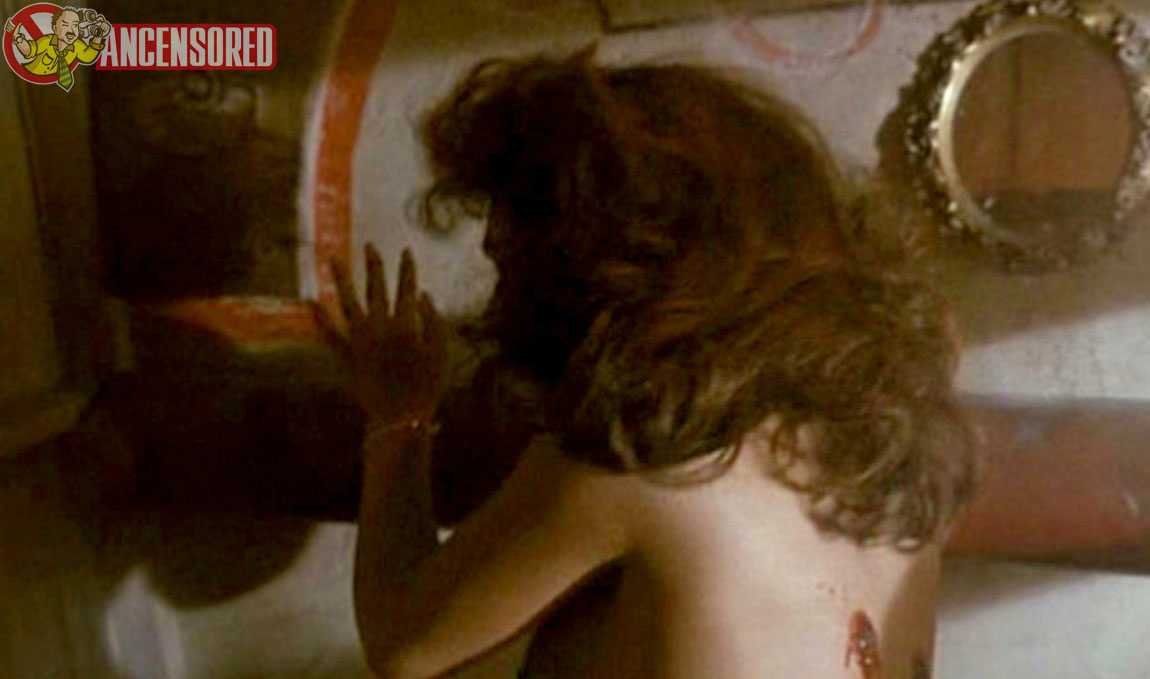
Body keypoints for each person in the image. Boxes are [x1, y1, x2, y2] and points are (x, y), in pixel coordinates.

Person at [324, 49, 979, 679]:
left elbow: (404, 644)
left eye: (510, 260)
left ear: (602, 264)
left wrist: (400, 417)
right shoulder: (894, 476)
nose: (500, 292)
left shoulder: (640, 463)